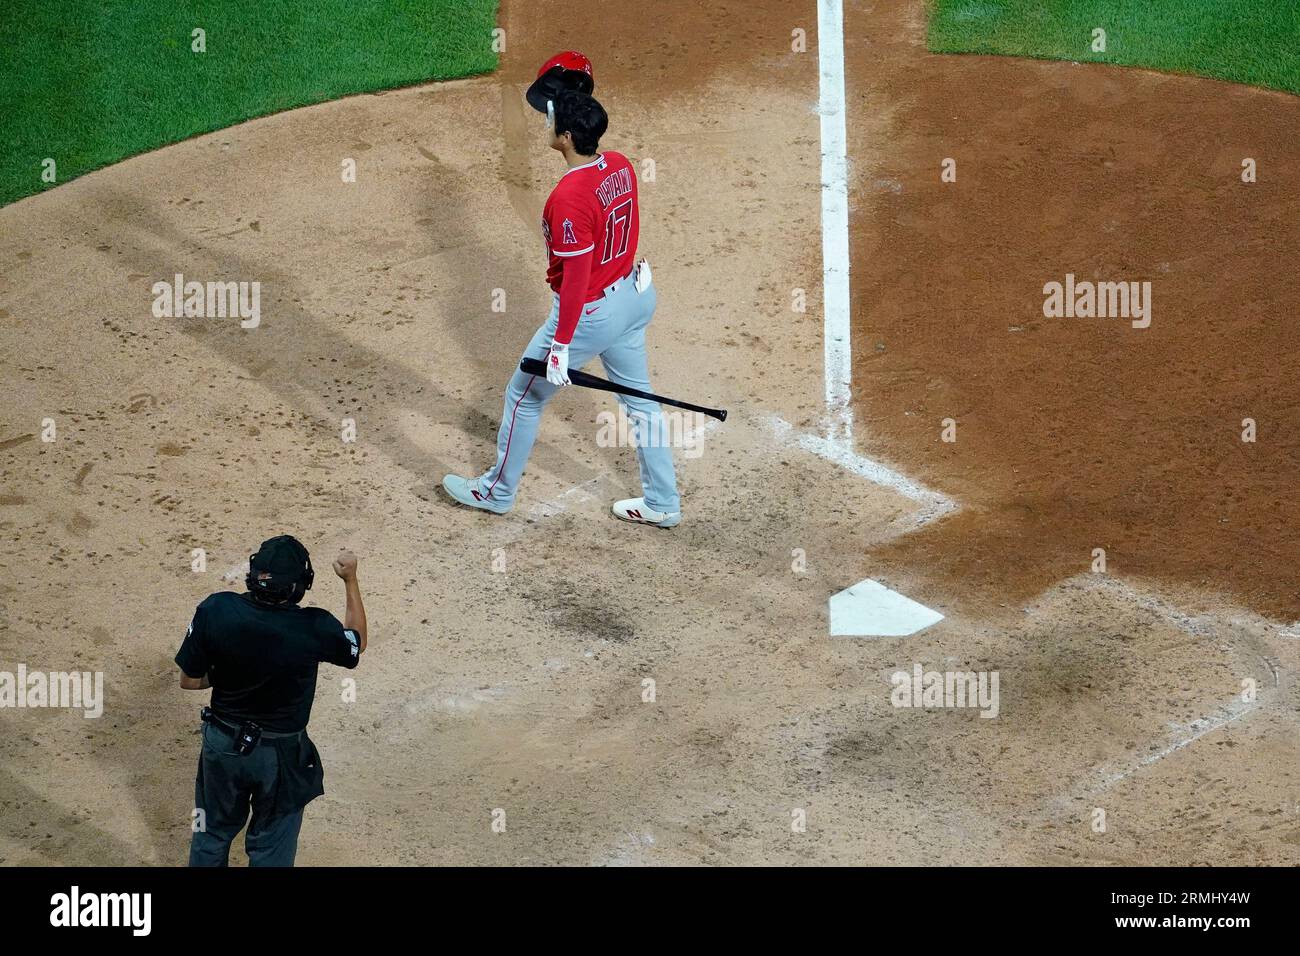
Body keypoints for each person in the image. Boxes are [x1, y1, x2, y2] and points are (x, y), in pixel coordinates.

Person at [442, 89, 682, 528]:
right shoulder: (620, 164)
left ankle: (496, 492)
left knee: (523, 396)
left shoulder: (568, 198)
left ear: (567, 137)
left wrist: (560, 345)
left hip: (590, 314)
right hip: (633, 297)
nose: (546, 125)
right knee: (642, 402)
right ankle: (663, 503)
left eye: (553, 121)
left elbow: (574, 281)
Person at [176, 535, 367, 866]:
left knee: (212, 834)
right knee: (271, 849)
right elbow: (357, 642)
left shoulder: (216, 608)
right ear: (301, 585)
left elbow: (190, 681)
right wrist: (350, 579)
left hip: (223, 746)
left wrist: (232, 673)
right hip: (280, 758)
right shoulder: (315, 627)